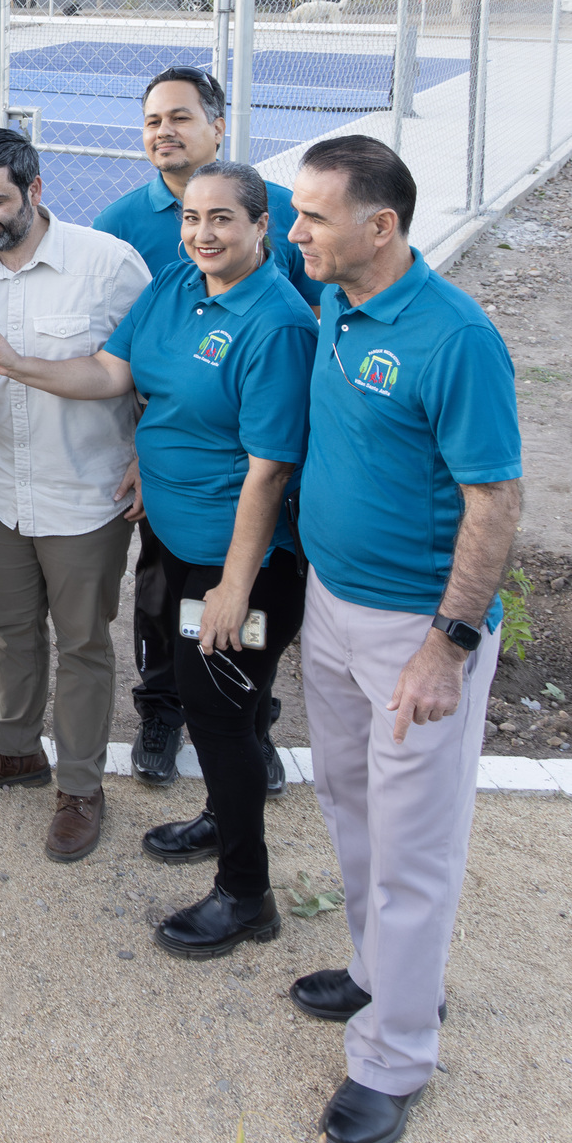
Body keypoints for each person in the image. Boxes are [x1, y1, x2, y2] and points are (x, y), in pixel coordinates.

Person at [0, 160, 315, 951]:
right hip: (175, 543)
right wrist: (18, 366)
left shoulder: (276, 323)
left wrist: (234, 586)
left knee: (221, 713)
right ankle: (220, 819)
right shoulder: (179, 284)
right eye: (192, 218)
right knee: (215, 708)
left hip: (234, 563)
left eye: (222, 220)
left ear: (262, 228)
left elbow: (271, 467)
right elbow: (115, 370)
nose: (202, 233)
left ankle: (248, 896)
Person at [285, 136, 521, 1143]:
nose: (294, 232)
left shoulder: (453, 338)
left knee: (412, 847)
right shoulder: (335, 298)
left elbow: (494, 497)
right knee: (345, 800)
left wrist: (446, 646)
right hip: (330, 607)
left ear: (377, 227)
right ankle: (379, 971)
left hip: (411, 633)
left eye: (312, 217)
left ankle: (393, 1056)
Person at [0, 128, 149, 863]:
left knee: (82, 643)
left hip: (85, 492)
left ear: (36, 190)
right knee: (12, 631)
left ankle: (81, 786)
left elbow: (153, 372)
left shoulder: (107, 265)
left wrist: (146, 453)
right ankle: (17, 748)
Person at [90, 67, 323, 792]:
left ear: (218, 127)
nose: (165, 131)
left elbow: (329, 309)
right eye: (153, 119)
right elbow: (121, 355)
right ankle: (163, 711)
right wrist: (139, 444)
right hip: (164, 466)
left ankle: (249, 726)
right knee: (162, 598)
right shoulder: (122, 223)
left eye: (181, 118)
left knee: (242, 611)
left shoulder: (284, 215)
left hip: (248, 454)